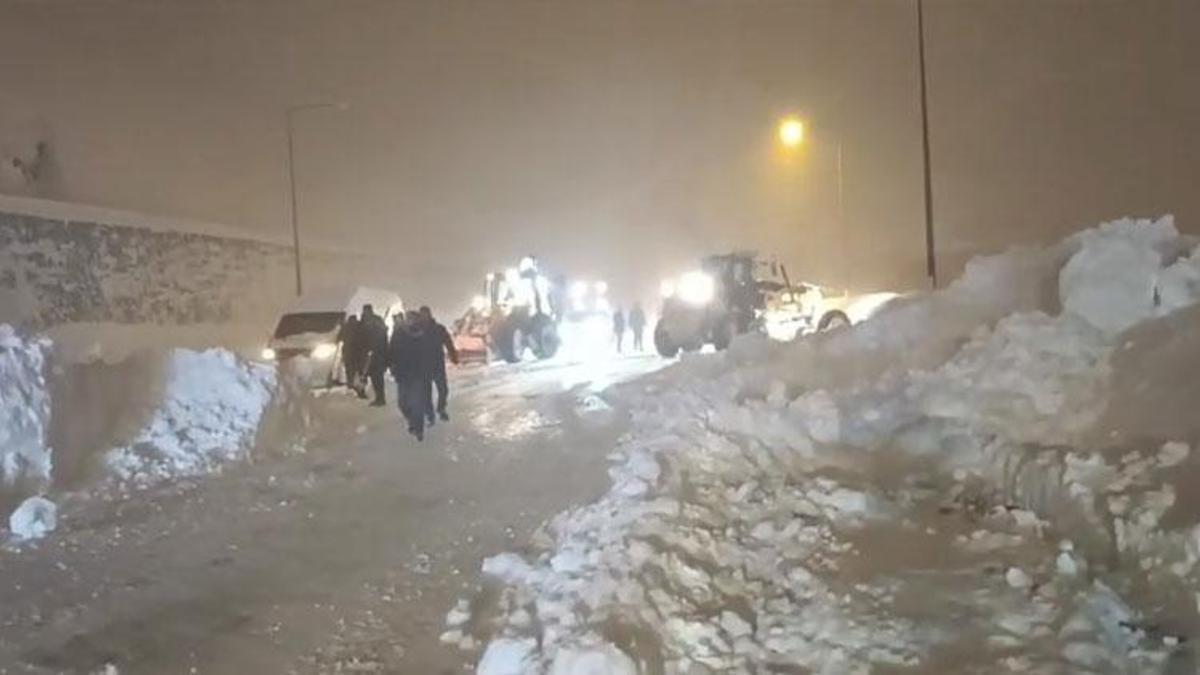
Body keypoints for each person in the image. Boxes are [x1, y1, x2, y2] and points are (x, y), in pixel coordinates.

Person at [388, 310, 433, 440]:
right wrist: (391, 365)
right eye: (408, 319)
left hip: (417, 374)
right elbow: (392, 351)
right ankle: (412, 422)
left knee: (416, 403)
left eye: (411, 319)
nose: (409, 321)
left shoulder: (423, 335)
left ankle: (419, 429)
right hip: (402, 374)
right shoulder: (398, 334)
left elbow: (428, 354)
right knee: (402, 403)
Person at [419, 306, 458, 424]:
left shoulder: (438, 329)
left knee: (443, 390)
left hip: (437, 364)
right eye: (422, 315)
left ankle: (441, 408)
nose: (424, 317)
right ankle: (429, 413)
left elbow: (448, 342)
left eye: (425, 314)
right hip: (423, 366)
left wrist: (453, 356)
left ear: (430, 315)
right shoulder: (417, 330)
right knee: (426, 392)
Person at [361, 304, 389, 406]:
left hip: (377, 354)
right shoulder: (370, 320)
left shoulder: (374, 321)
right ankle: (379, 397)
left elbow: (381, 337)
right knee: (374, 377)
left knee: (377, 378)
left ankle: (380, 398)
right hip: (373, 354)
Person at [338, 314, 367, 398]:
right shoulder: (361, 326)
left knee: (350, 371)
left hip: (348, 354)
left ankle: (351, 386)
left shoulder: (345, 327)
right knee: (361, 372)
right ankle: (361, 389)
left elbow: (339, 338)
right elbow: (366, 337)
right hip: (359, 354)